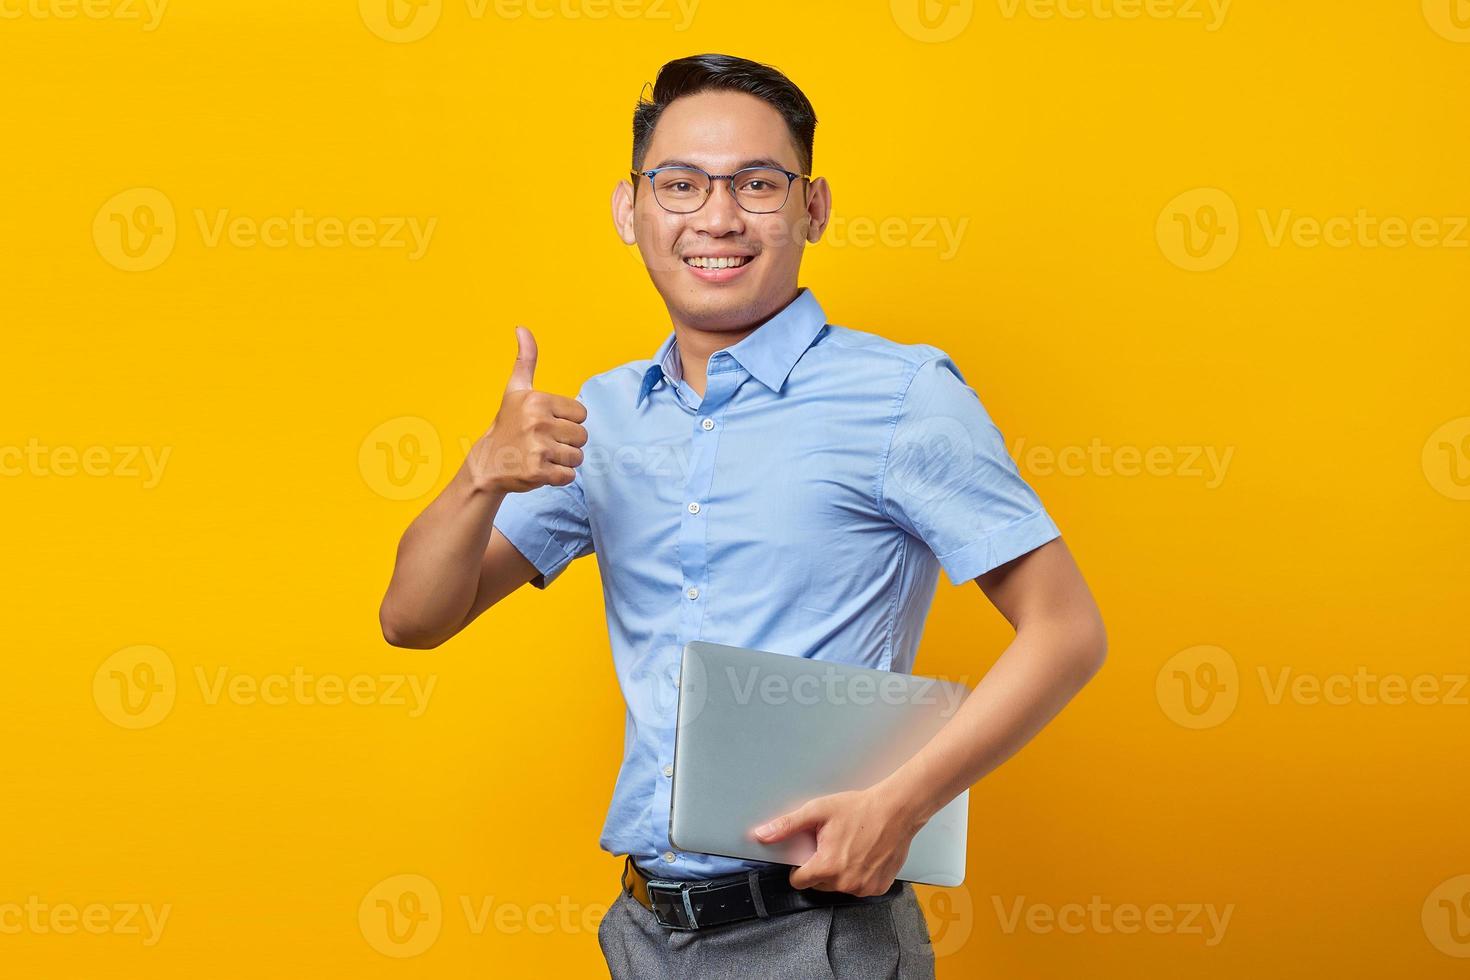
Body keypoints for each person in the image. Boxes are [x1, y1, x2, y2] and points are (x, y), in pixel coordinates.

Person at [378, 52, 1107, 980]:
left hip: (816, 930)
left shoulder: (900, 396)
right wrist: (481, 474)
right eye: (680, 184)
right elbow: (413, 620)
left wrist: (901, 805)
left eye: (757, 183)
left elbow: (1066, 631)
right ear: (628, 208)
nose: (716, 218)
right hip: (644, 931)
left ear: (813, 207)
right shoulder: (602, 417)